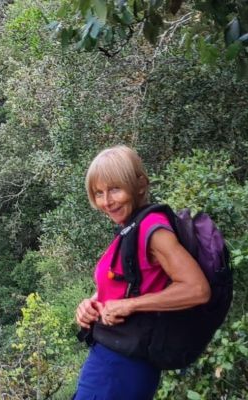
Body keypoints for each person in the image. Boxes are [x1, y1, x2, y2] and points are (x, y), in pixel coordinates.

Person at [72, 146, 211, 399]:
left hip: (122, 365)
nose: (107, 201)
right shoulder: (132, 228)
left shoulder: (153, 229)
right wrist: (91, 304)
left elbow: (197, 289)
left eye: (115, 189)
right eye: (99, 193)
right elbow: (135, 283)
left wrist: (131, 305)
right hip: (113, 358)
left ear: (139, 184)